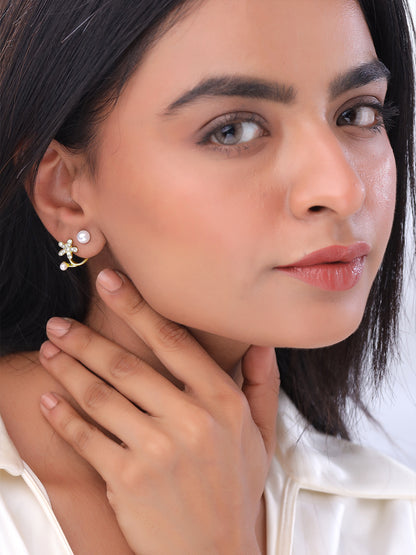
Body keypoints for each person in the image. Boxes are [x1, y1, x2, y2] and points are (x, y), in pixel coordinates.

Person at [0, 0, 415, 553]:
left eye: (357, 114)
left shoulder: (391, 524)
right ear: (66, 195)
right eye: (234, 131)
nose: (343, 189)